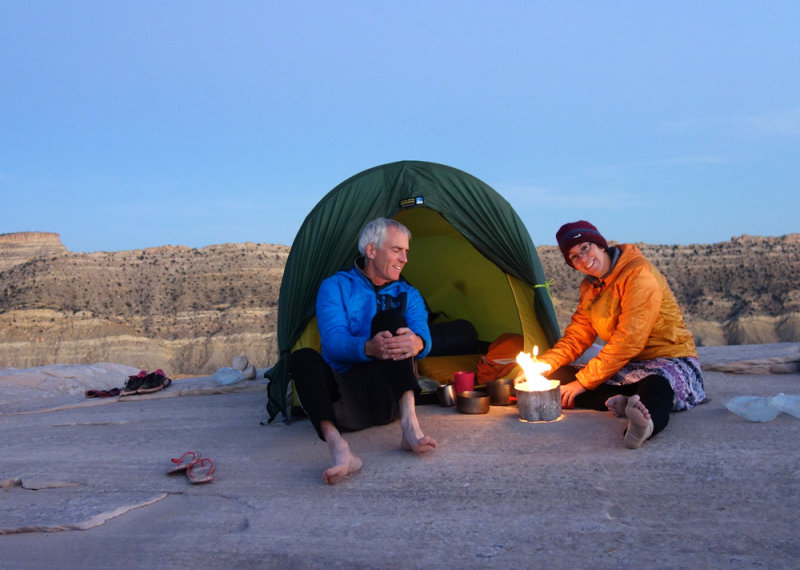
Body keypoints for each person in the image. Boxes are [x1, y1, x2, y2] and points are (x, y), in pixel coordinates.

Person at [290, 217, 437, 484]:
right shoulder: (334, 286)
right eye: (396, 250)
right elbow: (333, 343)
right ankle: (340, 449)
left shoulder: (409, 293)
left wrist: (418, 343)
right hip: (345, 401)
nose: (404, 259)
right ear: (371, 251)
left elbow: (422, 332)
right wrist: (368, 347)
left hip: (387, 395)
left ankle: (410, 426)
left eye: (406, 252)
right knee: (301, 359)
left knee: (390, 319)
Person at [536, 220, 705, 448]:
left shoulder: (638, 274)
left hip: (670, 358)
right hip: (630, 366)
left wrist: (583, 384)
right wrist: (540, 367)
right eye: (574, 256)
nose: (583, 259)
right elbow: (578, 336)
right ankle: (627, 400)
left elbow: (629, 340)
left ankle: (644, 426)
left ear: (600, 245)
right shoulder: (591, 287)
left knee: (656, 385)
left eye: (585, 248)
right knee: (556, 377)